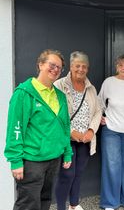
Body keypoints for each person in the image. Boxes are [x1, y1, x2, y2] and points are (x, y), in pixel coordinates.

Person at [4, 49, 72, 210]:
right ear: (40, 64)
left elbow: (65, 126)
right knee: (28, 205)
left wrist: (67, 151)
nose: (55, 70)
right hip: (32, 161)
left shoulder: (60, 96)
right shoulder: (24, 93)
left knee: (45, 201)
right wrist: (15, 161)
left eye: (59, 68)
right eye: (52, 65)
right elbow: (15, 128)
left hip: (54, 159)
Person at [55, 51, 102, 210]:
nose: (81, 69)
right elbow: (55, 113)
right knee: (66, 175)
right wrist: (71, 132)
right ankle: (61, 206)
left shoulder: (91, 88)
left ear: (87, 69)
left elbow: (97, 111)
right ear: (71, 66)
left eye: (84, 66)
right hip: (66, 138)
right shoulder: (59, 85)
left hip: (85, 139)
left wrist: (90, 131)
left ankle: (74, 204)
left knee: (78, 173)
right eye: (77, 66)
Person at [98, 54, 124, 210]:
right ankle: (110, 202)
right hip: (111, 130)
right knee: (111, 166)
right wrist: (100, 118)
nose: (123, 67)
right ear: (116, 66)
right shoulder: (109, 82)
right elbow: (99, 102)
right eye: (120, 64)